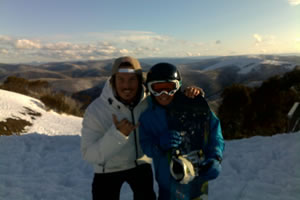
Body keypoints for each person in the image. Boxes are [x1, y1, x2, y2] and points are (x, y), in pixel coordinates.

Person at [81, 56, 203, 200]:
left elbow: (170, 100)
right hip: (107, 170)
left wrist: (192, 95)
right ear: (113, 81)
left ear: (140, 81)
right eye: (121, 79)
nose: (126, 85)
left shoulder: (148, 101)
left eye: (132, 79)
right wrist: (117, 135)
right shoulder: (96, 110)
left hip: (140, 165)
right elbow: (89, 154)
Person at [139, 63, 225, 200]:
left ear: (178, 86)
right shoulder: (147, 117)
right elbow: (146, 147)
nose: (164, 95)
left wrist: (215, 157)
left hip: (196, 181)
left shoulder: (192, 106)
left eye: (169, 88)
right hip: (167, 185)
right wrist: (159, 144)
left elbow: (214, 132)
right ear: (150, 89)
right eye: (157, 89)